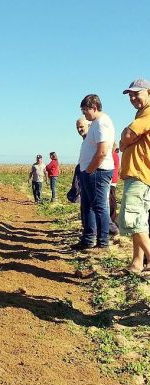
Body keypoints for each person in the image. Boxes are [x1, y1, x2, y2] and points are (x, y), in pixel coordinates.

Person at [73, 94, 115, 250]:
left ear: (94, 107)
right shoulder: (96, 122)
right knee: (90, 207)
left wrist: (89, 170)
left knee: (99, 207)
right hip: (92, 171)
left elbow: (102, 151)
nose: (84, 114)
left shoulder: (101, 123)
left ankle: (103, 242)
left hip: (98, 171)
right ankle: (88, 239)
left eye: (85, 111)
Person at [118, 78, 150, 276]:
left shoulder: (147, 114)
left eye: (136, 93)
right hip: (138, 173)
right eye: (130, 94)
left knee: (130, 220)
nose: (132, 97)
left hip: (140, 173)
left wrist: (125, 138)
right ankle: (137, 263)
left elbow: (127, 136)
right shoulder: (141, 114)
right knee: (140, 220)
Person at [67, 118, 90, 204]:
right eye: (77, 127)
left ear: (89, 126)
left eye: (81, 127)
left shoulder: (93, 139)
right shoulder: (85, 140)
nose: (79, 129)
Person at [109, 143, 120, 235]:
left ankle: (113, 221)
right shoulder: (115, 155)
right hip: (113, 180)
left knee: (111, 201)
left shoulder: (113, 155)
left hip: (111, 180)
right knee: (111, 200)